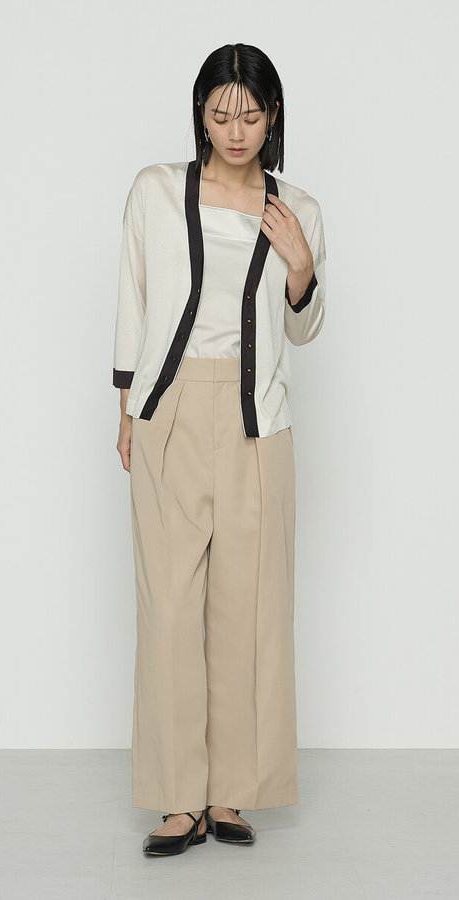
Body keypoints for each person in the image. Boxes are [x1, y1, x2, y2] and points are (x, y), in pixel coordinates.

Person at [112, 43, 327, 856]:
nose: (236, 131)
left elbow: (304, 328)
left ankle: (231, 794)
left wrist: (301, 266)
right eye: (220, 114)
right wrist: (128, 407)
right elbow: (133, 293)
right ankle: (178, 799)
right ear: (201, 115)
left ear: (273, 119)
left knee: (249, 609)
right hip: (169, 412)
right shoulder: (155, 190)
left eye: (251, 115)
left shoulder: (297, 208)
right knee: (170, 608)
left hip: (256, 422)